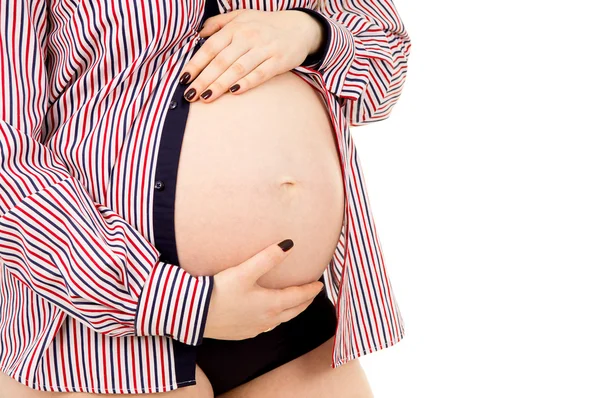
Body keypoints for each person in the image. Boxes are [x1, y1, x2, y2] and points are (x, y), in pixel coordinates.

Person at [0, 0, 411, 396]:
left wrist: (311, 32)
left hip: (288, 317)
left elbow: (382, 78)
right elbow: (10, 162)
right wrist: (176, 301)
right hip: (107, 327)